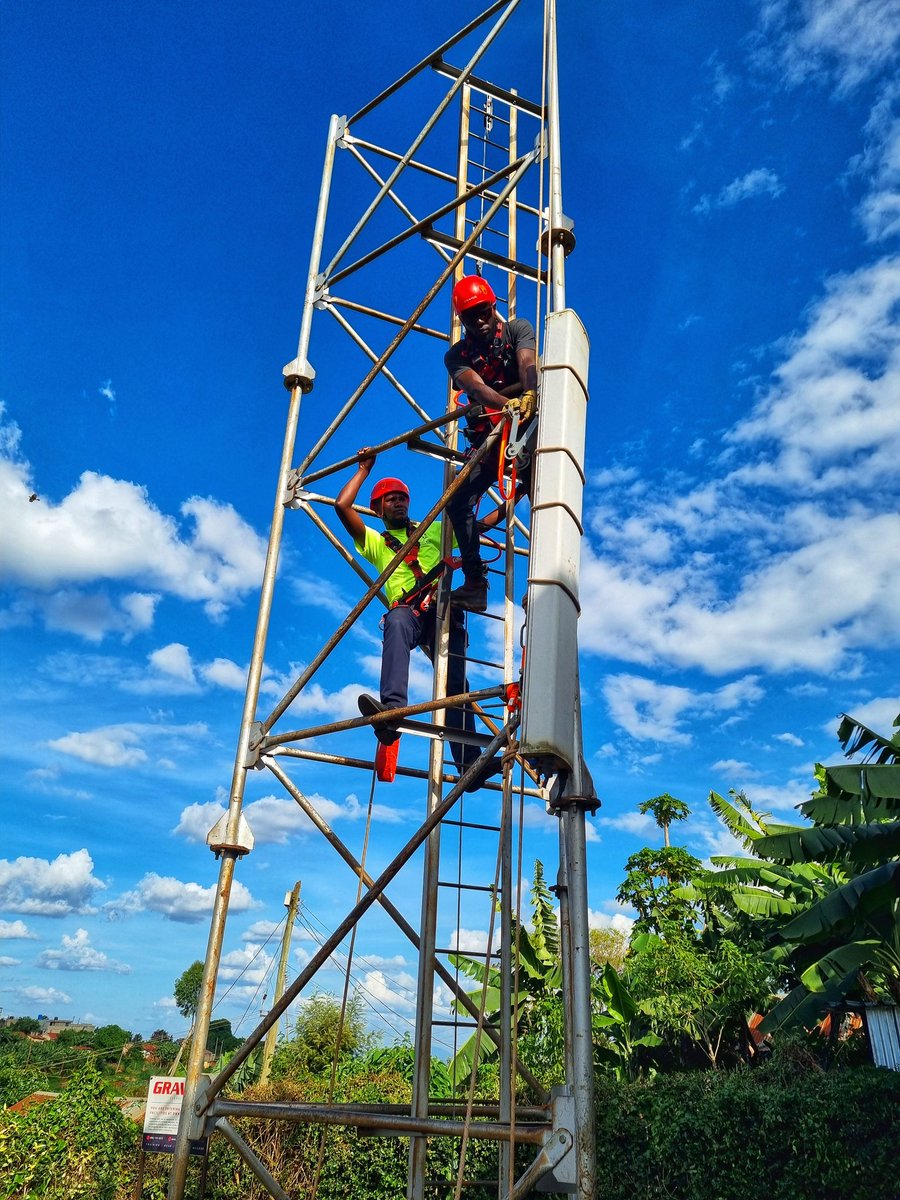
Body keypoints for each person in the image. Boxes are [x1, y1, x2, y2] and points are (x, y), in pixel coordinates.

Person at [335, 448, 489, 785]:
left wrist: (510, 501)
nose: (399, 503)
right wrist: (363, 470)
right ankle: (391, 712)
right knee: (397, 621)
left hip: (444, 610)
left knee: (454, 683)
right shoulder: (376, 542)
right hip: (411, 613)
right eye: (390, 500)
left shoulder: (432, 530)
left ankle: (469, 762)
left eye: (402, 498)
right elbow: (342, 506)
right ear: (378, 509)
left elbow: (474, 526)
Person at [443, 274, 538, 612]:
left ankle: (539, 582)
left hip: (529, 427)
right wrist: (507, 404)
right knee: (457, 502)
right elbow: (477, 388)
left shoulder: (517, 330)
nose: (480, 321)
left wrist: (529, 394)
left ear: (493, 306)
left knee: (543, 494)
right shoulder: (457, 356)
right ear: (462, 319)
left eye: (483, 312)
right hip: (493, 436)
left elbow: (528, 363)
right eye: (471, 317)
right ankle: (475, 583)